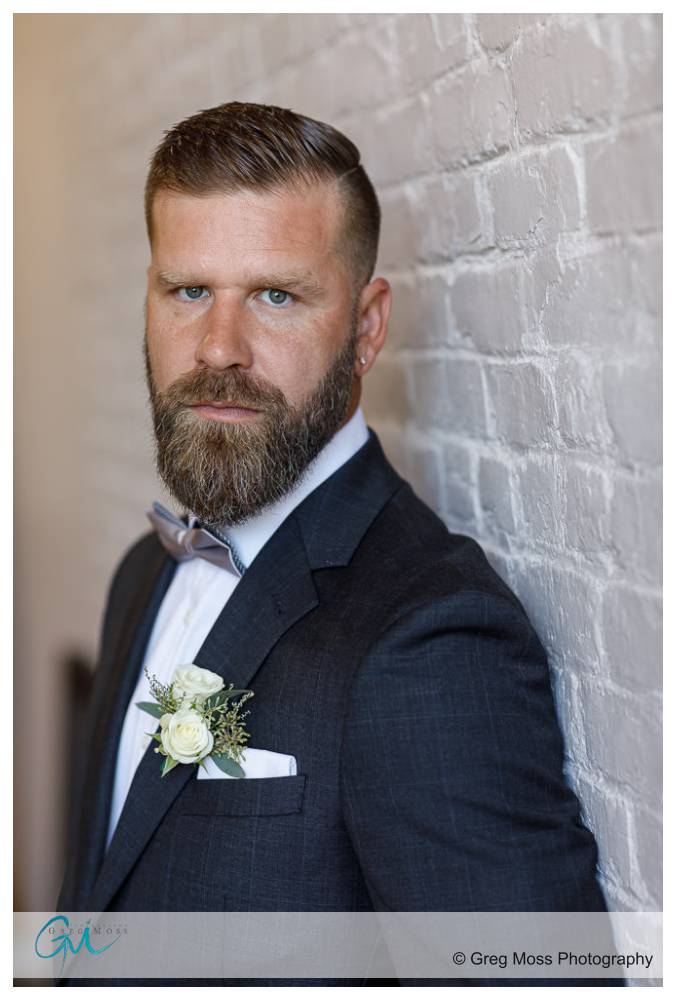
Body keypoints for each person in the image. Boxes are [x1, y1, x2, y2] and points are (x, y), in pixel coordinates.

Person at [55, 101, 620, 987]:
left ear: (364, 328)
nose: (219, 348)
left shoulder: (430, 639)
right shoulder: (144, 574)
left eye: (277, 295)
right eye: (188, 290)